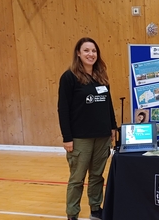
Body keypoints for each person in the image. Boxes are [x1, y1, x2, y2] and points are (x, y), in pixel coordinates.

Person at [57, 37, 117, 220]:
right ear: (78, 53)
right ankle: (72, 213)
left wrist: (113, 127)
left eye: (94, 51)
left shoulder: (101, 77)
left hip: (102, 136)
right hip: (80, 138)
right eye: (86, 50)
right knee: (77, 179)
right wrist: (67, 137)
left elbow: (108, 105)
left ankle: (95, 208)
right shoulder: (69, 77)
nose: (91, 54)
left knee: (97, 176)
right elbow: (63, 108)